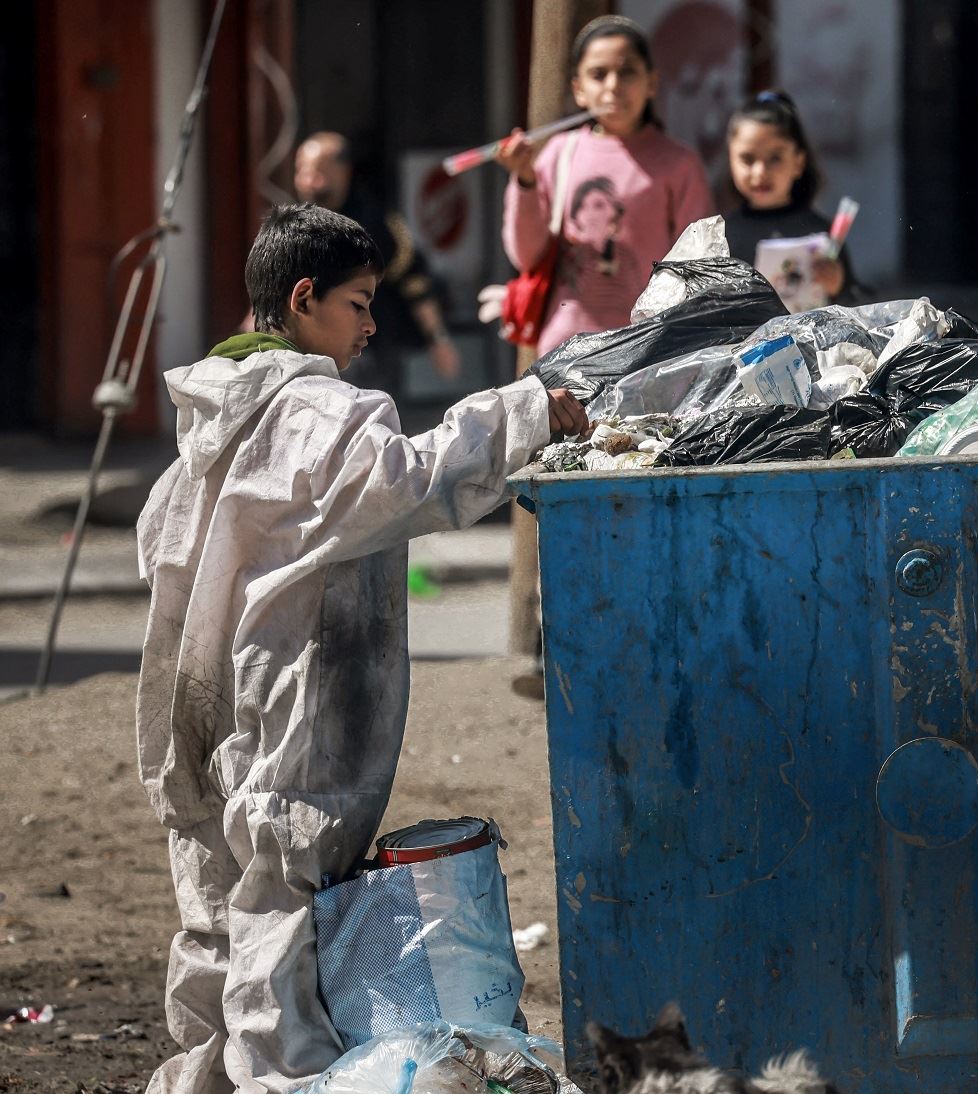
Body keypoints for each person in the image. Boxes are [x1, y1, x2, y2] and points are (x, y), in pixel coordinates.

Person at [136, 203, 587, 1094]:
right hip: (289, 700)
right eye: (358, 303)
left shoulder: (212, 415)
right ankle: (280, 1080)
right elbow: (406, 483)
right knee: (281, 902)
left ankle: (202, 1080)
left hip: (201, 699)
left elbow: (161, 542)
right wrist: (526, 410)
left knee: (218, 914)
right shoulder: (315, 409)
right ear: (304, 298)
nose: (372, 325)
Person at [498, 14, 715, 356]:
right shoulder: (558, 153)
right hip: (565, 352)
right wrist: (524, 180)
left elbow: (700, 266)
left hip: (649, 352)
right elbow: (526, 256)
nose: (613, 85)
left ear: (652, 83)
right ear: (579, 89)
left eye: (627, 71)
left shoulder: (679, 164)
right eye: (598, 75)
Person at [293, 131, 461, 397]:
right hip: (308, 356)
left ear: (343, 171)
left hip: (368, 354)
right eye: (301, 171)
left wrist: (438, 340)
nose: (307, 181)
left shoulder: (375, 226)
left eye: (317, 172)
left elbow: (414, 281)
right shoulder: (294, 225)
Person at [721, 90, 861, 306]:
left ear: (798, 162)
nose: (760, 172)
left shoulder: (823, 237)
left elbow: (855, 307)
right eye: (747, 159)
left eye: (775, 158)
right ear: (731, 159)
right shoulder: (722, 236)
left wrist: (838, 285)